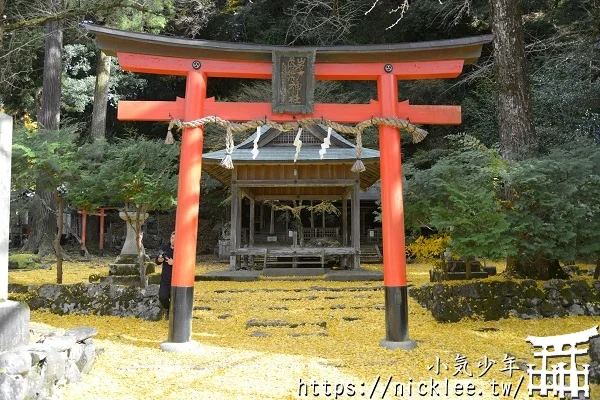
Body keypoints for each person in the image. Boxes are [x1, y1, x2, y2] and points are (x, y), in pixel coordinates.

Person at [155, 231, 175, 319]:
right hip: (165, 278)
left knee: (175, 299)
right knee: (162, 297)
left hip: (176, 279)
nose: (173, 240)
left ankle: (172, 313)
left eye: (175, 238)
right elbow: (157, 261)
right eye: (172, 238)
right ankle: (168, 309)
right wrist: (160, 260)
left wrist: (174, 262)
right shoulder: (165, 248)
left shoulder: (181, 250)